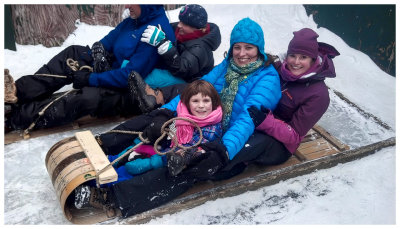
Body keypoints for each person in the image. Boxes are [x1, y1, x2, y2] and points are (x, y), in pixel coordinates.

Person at [87, 17, 282, 218]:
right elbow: (193, 93)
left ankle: (112, 197)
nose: (242, 54)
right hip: (203, 120)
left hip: (229, 142)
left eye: (248, 48)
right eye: (237, 47)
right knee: (154, 120)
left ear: (259, 49)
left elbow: (245, 122)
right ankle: (101, 145)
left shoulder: (267, 79)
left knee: (183, 165)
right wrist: (167, 112)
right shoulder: (227, 66)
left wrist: (221, 150)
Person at [4, 5, 175, 132]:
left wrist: (90, 79)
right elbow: (108, 40)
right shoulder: (134, 20)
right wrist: (99, 51)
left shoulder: (155, 32)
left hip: (133, 90)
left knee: (86, 97)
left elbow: (130, 76)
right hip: (113, 70)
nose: (127, 5)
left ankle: (14, 119)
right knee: (74, 54)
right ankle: (14, 94)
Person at [73, 80, 223, 211]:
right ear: (188, 104)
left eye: (206, 101)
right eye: (195, 101)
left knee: (133, 171)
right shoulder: (183, 116)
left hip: (173, 161)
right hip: (163, 149)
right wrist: (151, 138)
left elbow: (191, 152)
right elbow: (169, 133)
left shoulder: (211, 128)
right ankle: (99, 167)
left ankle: (101, 188)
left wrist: (152, 162)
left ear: (214, 102)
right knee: (130, 153)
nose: (201, 106)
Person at [131, 4, 221, 113]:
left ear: (197, 27)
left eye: (184, 23)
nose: (179, 25)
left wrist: (164, 45)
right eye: (180, 21)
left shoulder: (201, 48)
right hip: (171, 70)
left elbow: (182, 69)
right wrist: (138, 17)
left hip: (187, 82)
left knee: (148, 76)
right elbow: (163, 26)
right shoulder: (183, 32)